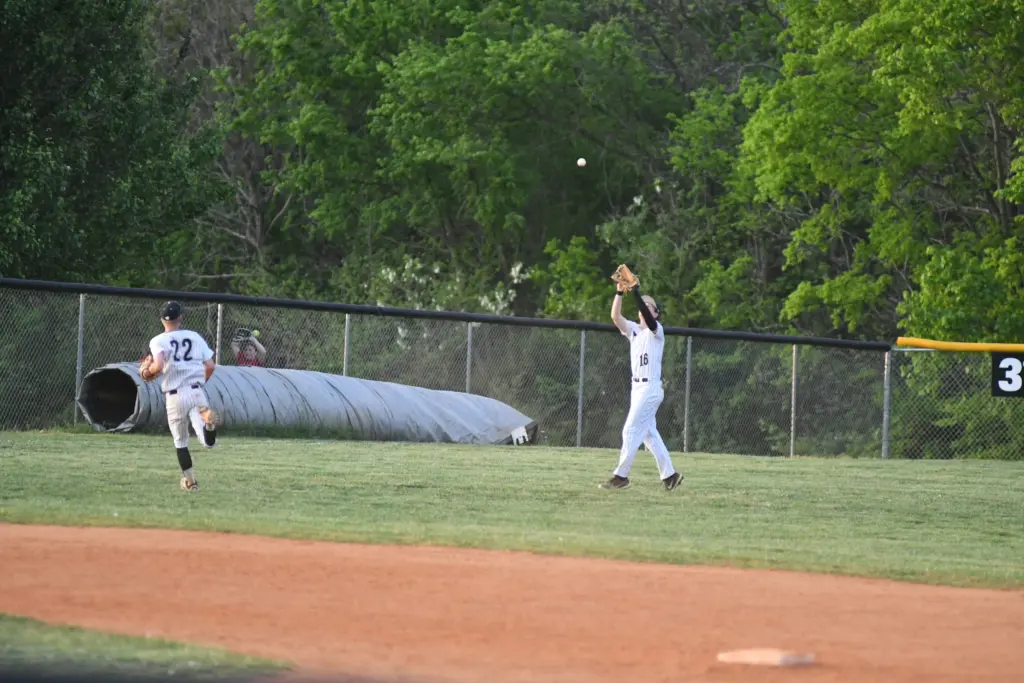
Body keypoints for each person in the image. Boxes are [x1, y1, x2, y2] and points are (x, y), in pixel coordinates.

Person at [600, 279, 683, 491]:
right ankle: (670, 476)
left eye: (649, 307)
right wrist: (620, 292)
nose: (644, 309)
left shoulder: (657, 332)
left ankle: (621, 476)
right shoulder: (634, 331)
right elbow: (615, 317)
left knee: (630, 430)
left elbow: (648, 317)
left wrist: (636, 293)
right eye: (642, 307)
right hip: (637, 389)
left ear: (656, 313)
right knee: (648, 434)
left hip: (650, 388)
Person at [140, 301, 221, 492]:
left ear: (162, 319)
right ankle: (209, 425)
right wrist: (199, 383)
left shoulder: (158, 340)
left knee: (180, 442)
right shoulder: (194, 336)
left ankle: (191, 482)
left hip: (174, 395)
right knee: (207, 443)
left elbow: (159, 366)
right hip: (195, 390)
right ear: (181, 318)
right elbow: (210, 366)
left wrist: (146, 372)